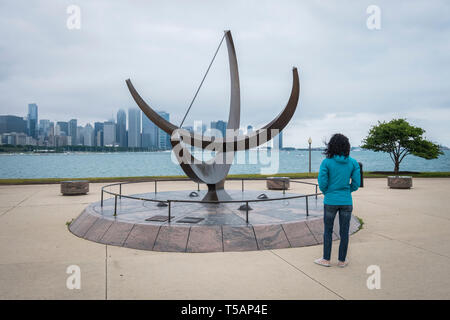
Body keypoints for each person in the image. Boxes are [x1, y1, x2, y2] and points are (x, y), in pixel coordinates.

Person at [314, 133, 360, 268]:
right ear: (347, 146)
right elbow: (356, 183)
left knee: (327, 230)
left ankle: (326, 259)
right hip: (346, 201)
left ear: (331, 146)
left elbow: (322, 182)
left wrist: (328, 192)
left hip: (330, 201)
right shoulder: (353, 162)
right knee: (344, 232)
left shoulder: (326, 162)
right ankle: (342, 260)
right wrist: (347, 191)